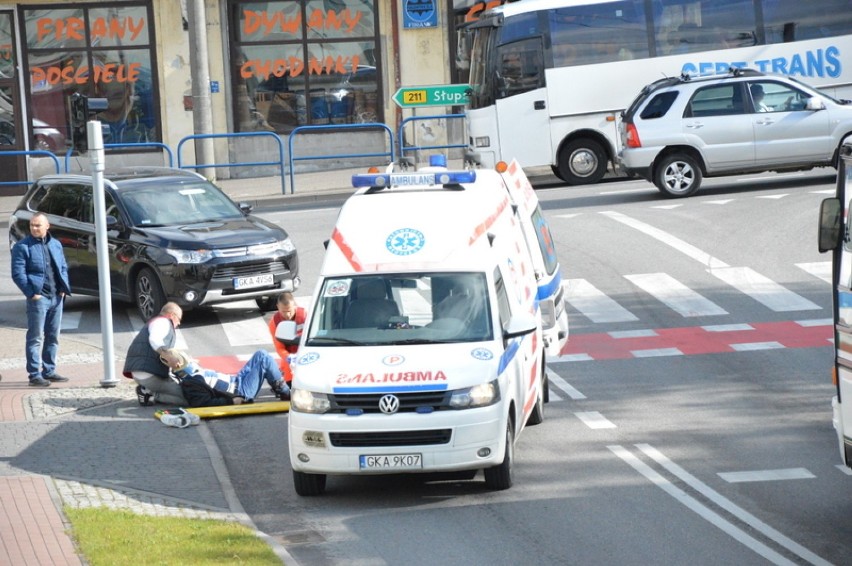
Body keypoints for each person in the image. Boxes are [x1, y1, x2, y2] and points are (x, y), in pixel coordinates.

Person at [11, 212, 72, 387]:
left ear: (47, 226)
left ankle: (49, 370)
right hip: (38, 299)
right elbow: (18, 274)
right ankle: (34, 374)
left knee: (53, 336)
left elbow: (62, 267)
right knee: (35, 337)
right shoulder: (22, 247)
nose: (34, 228)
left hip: (56, 298)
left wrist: (63, 288)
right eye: (32, 225)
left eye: (38, 225)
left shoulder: (56, 244)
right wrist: (32, 294)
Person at [160, 348, 290, 407]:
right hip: (239, 392)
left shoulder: (190, 371)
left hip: (236, 381)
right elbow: (202, 402)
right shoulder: (189, 382)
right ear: (178, 364)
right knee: (264, 359)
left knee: (261, 354)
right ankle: (285, 392)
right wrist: (232, 401)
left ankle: (282, 388)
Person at [123, 302, 188, 406]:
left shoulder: (155, 322)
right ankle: (150, 393)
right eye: (179, 319)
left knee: (182, 393)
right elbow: (155, 340)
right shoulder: (163, 322)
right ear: (172, 315)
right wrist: (167, 355)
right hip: (149, 375)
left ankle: (148, 390)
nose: (179, 323)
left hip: (142, 371)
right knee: (189, 397)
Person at [268, 292, 306, 384]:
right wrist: (289, 358)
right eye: (284, 312)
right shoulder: (274, 323)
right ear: (278, 307)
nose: (288, 315)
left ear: (294, 305)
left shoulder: (305, 316)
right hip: (289, 361)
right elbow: (279, 347)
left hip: (306, 355)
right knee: (290, 386)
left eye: (290, 311)